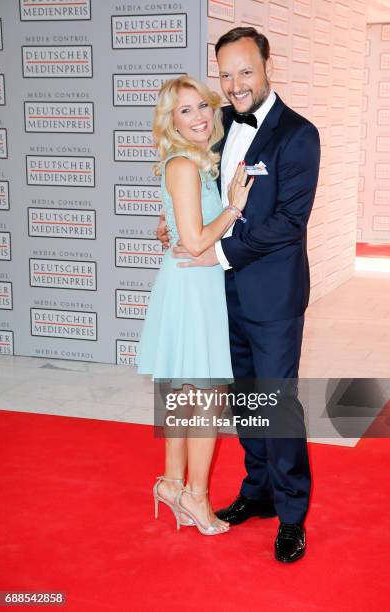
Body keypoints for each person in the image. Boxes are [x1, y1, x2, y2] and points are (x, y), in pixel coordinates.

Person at [158, 28, 321, 562]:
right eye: (225, 75)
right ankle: (257, 494)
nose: (234, 85)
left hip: (271, 294)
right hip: (216, 293)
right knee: (245, 403)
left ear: (268, 65)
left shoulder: (299, 135)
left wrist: (222, 253)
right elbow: (192, 188)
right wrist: (175, 229)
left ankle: (292, 515)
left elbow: (288, 223)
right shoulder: (220, 123)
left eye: (244, 71)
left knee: (276, 403)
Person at [136, 75, 254, 536]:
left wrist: (176, 224)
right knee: (205, 398)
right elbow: (197, 240)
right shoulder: (185, 165)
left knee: (187, 396)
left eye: (202, 106)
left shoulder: (191, 162)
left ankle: (171, 484)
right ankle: (197, 498)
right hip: (191, 286)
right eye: (185, 110)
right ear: (172, 121)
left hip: (194, 285)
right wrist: (234, 207)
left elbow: (181, 229)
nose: (200, 116)